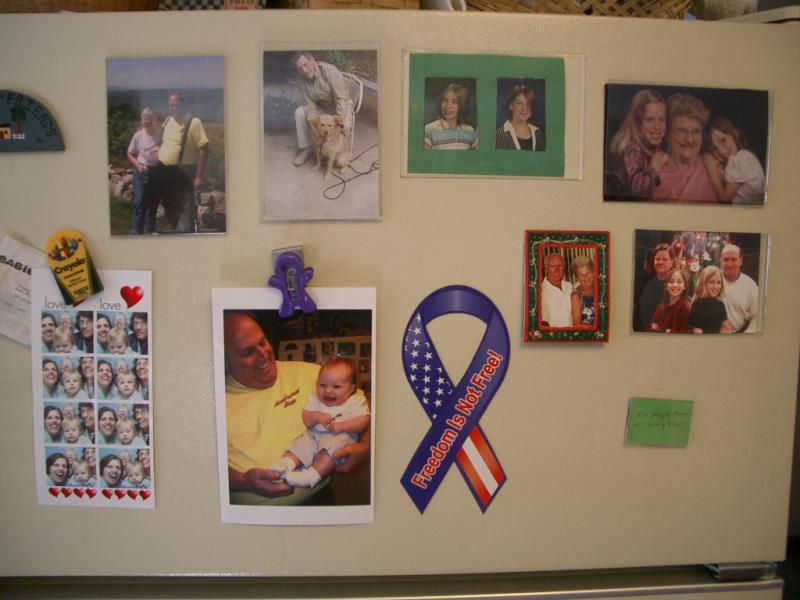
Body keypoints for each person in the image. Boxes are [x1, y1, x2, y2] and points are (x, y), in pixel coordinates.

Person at [224, 311, 369, 505]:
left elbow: (364, 407)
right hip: (251, 515)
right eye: (248, 352)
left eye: (263, 342)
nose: (263, 354)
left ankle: (311, 475)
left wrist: (365, 447)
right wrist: (243, 481)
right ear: (225, 363)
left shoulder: (312, 373)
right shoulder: (213, 403)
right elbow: (201, 466)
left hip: (317, 501)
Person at [269, 358, 370, 489]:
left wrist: (342, 426)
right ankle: (286, 463)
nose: (328, 391)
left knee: (332, 452)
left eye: (336, 386)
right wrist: (317, 416)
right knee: (301, 443)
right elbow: (306, 418)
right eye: (322, 385)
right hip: (314, 434)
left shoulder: (355, 402)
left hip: (340, 437)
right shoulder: (315, 399)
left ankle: (312, 476)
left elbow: (363, 421)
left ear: (351, 389)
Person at [150, 92, 208, 232]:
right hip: (165, 170)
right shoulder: (168, 120)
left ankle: (186, 233)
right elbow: (164, 141)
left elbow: (204, 148)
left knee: (185, 205)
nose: (173, 108)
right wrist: (158, 153)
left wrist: (199, 176)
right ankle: (173, 230)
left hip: (184, 171)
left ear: (183, 105)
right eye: (171, 105)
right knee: (169, 203)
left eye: (176, 105)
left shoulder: (194, 122)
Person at [291, 52, 353, 167]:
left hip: (340, 104)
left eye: (305, 65)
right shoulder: (300, 79)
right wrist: (313, 125)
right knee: (299, 112)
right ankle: (306, 148)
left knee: (346, 124)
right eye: (299, 68)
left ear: (312, 60)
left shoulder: (329, 71)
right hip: (322, 106)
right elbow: (309, 104)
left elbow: (341, 98)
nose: (304, 70)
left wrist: (339, 125)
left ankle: (341, 151)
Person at [652, 93, 717, 203]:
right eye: (682, 131)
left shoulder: (714, 168)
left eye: (696, 131)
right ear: (667, 134)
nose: (689, 140)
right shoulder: (654, 174)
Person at [607, 89, 668, 199]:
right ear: (636, 123)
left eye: (662, 120)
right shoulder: (631, 152)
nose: (657, 126)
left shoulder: (655, 149)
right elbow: (638, 191)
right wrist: (654, 168)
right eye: (649, 120)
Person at [703, 116, 765, 205]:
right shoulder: (738, 159)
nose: (720, 150)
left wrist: (710, 168)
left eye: (722, 140)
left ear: (735, 134)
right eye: (713, 148)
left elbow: (724, 199)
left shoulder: (739, 159)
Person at [126, 107, 162, 234]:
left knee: (153, 202)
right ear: (141, 121)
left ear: (155, 119)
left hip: (156, 172)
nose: (147, 121)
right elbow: (129, 153)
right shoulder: (138, 135)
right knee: (139, 201)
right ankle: (137, 230)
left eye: (149, 118)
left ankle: (150, 228)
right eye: (144, 119)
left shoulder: (161, 133)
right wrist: (138, 166)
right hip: (141, 171)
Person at [424, 83, 478, 151]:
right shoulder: (429, 129)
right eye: (445, 100)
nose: (448, 106)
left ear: (462, 105)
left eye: (454, 102)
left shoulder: (470, 131)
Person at [638, 243, 677, 330]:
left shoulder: (677, 285)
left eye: (665, 259)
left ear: (672, 262)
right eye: (657, 259)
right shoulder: (644, 282)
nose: (660, 262)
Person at [720, 244, 759, 333]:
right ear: (721, 260)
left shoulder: (750, 285)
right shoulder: (710, 279)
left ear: (741, 261)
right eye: (726, 259)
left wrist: (745, 337)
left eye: (733, 259)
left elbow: (756, 318)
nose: (729, 264)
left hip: (739, 333)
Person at [495, 84, 545, 151]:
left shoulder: (537, 133)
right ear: (511, 106)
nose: (524, 108)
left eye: (528, 104)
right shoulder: (499, 135)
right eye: (519, 103)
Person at [689, 265, 731, 334]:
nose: (716, 286)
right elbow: (697, 331)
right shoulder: (697, 306)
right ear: (703, 283)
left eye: (718, 282)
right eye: (711, 282)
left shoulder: (720, 305)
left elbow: (725, 327)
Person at [648, 268, 691, 333]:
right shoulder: (662, 305)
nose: (675, 285)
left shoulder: (684, 306)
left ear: (684, 286)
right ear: (666, 286)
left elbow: (680, 333)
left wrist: (659, 329)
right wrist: (665, 330)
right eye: (671, 281)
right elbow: (650, 327)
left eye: (679, 282)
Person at [540, 253, 573, 327]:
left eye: (560, 266)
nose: (557, 270)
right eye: (553, 266)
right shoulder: (540, 291)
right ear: (546, 268)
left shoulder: (569, 286)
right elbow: (543, 323)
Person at [570, 255, 596, 326]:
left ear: (593, 272)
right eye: (582, 275)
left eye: (588, 273)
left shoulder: (601, 290)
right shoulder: (576, 296)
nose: (586, 278)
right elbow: (577, 324)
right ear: (578, 278)